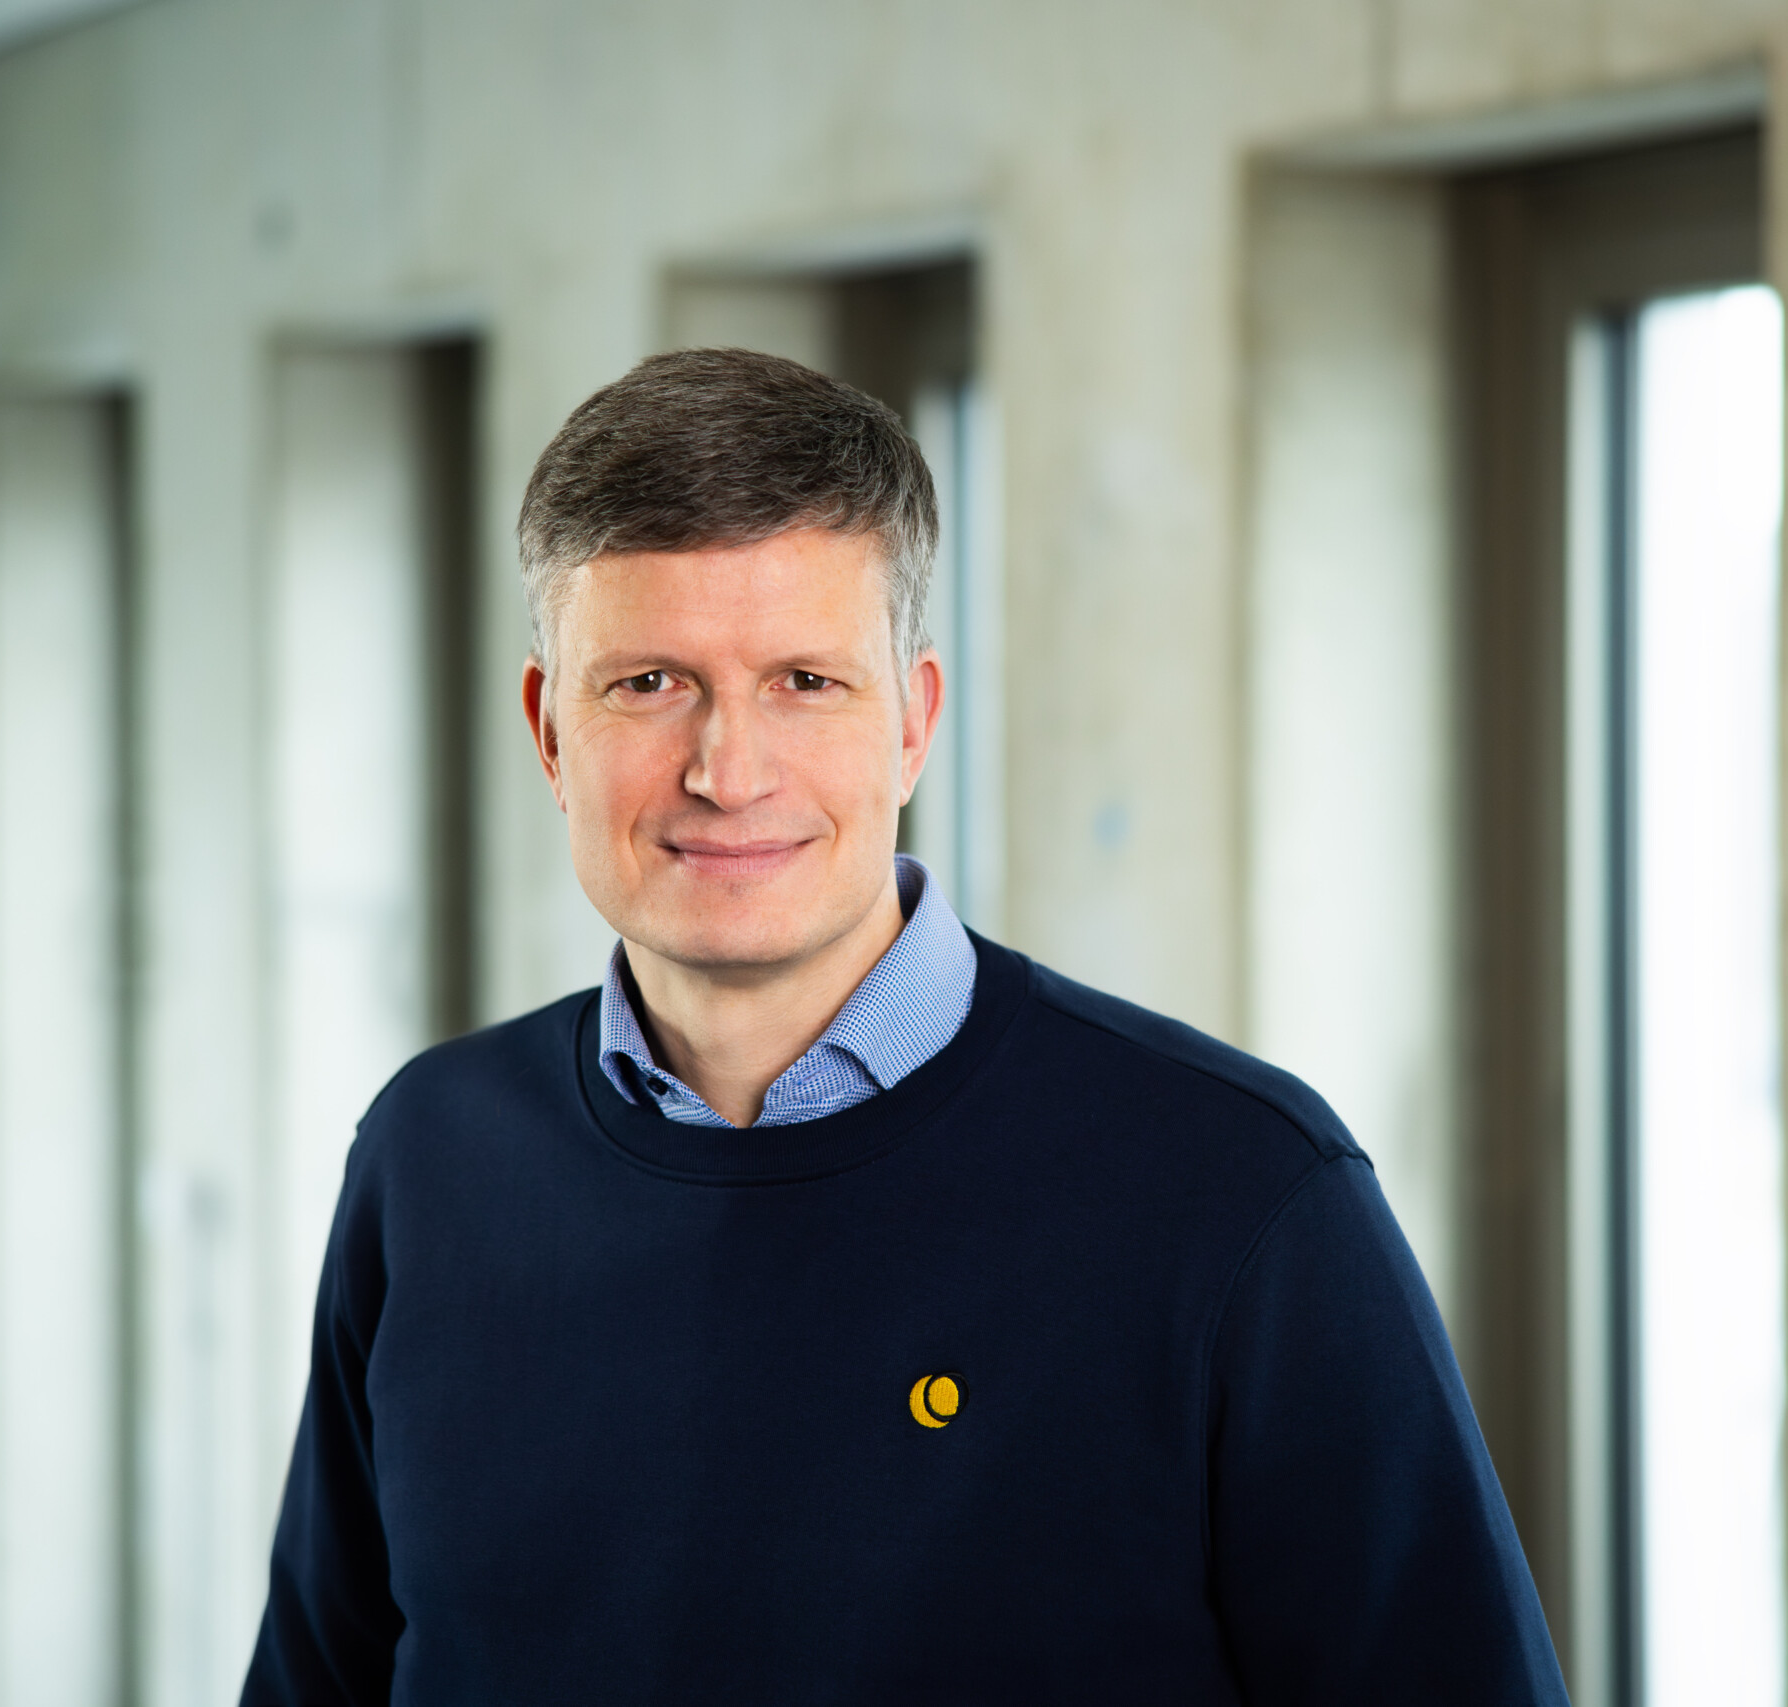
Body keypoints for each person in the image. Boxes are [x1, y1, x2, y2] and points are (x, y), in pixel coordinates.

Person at [242, 347, 1566, 1704]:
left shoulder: (1241, 1194)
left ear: (915, 723)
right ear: (547, 732)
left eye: (804, 682)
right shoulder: (429, 1160)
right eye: (649, 684)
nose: (727, 771)